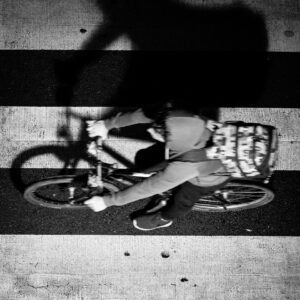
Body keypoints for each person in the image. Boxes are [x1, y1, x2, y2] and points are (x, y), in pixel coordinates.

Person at [84, 105, 278, 231]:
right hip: (199, 151)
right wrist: (107, 124)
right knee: (151, 162)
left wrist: (109, 201)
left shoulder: (185, 166)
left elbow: (148, 188)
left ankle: (162, 219)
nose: (151, 130)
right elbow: (147, 114)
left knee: (182, 202)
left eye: (159, 133)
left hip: (207, 177)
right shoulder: (184, 118)